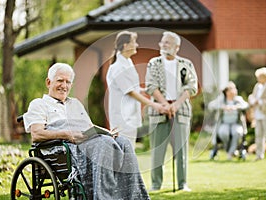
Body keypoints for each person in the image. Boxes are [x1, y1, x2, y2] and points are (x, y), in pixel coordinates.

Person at [23, 62, 150, 199]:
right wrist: (67, 134)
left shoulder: (76, 104)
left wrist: (107, 132)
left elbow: (89, 128)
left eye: (68, 82)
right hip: (61, 149)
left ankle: (135, 196)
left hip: (87, 142)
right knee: (104, 144)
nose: (64, 86)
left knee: (123, 142)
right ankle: (103, 197)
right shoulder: (38, 104)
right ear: (48, 82)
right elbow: (37, 134)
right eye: (60, 80)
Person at [145, 31, 198, 191]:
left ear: (177, 47)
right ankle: (155, 184)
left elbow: (192, 87)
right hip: (159, 111)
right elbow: (150, 86)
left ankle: (182, 184)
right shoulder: (154, 63)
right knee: (157, 151)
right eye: (163, 41)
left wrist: (176, 105)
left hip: (181, 111)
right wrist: (165, 105)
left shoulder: (186, 64)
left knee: (181, 150)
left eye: (167, 42)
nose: (163, 44)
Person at [106, 31, 167, 148]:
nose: (137, 45)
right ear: (125, 45)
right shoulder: (118, 67)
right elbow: (130, 92)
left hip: (130, 116)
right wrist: (154, 105)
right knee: (124, 151)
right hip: (122, 118)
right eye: (134, 42)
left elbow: (133, 88)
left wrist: (148, 90)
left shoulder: (128, 62)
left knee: (129, 150)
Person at [208, 81, 249, 160]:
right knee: (224, 133)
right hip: (224, 124)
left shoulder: (238, 99)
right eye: (231, 89)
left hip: (236, 123)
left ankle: (230, 153)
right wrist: (222, 107)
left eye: (234, 89)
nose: (234, 91)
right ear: (226, 92)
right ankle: (230, 150)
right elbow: (211, 105)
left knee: (237, 133)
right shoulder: (221, 99)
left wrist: (236, 107)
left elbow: (246, 105)